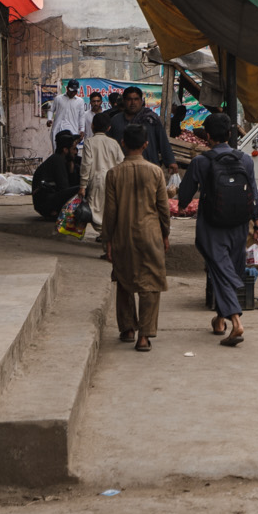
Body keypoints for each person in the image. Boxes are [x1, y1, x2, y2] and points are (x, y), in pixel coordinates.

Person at [178, 113, 258, 347]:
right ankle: (220, 320)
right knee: (229, 270)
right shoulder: (246, 161)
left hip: (211, 227)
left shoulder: (200, 162)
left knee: (221, 273)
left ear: (208, 136)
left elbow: (183, 199)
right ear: (231, 135)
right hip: (239, 227)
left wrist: (178, 199)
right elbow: (253, 194)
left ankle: (236, 322)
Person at [101, 124, 171, 351]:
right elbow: (163, 208)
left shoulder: (114, 174)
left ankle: (128, 328)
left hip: (123, 234)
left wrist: (107, 239)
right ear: (145, 145)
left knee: (123, 279)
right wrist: (165, 233)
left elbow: (110, 211)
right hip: (151, 234)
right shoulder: (155, 171)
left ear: (122, 143)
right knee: (150, 284)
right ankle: (144, 336)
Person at [111, 87, 175, 171]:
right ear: (124, 101)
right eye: (129, 99)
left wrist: (170, 161)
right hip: (123, 169)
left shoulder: (151, 119)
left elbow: (163, 140)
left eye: (136, 99)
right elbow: (109, 145)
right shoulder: (116, 121)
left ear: (141, 101)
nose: (133, 103)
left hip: (149, 167)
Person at [80, 126, 125, 242]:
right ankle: (107, 233)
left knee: (96, 209)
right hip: (113, 179)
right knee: (109, 208)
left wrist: (82, 185)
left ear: (92, 126)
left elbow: (86, 164)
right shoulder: (114, 143)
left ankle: (105, 234)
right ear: (109, 127)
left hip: (96, 180)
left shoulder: (89, 142)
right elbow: (121, 161)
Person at [31, 131, 81, 220]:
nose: (76, 152)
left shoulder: (63, 160)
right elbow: (65, 189)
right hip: (45, 203)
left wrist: (72, 169)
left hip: (49, 200)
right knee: (83, 189)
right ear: (65, 150)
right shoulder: (57, 161)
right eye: (73, 149)